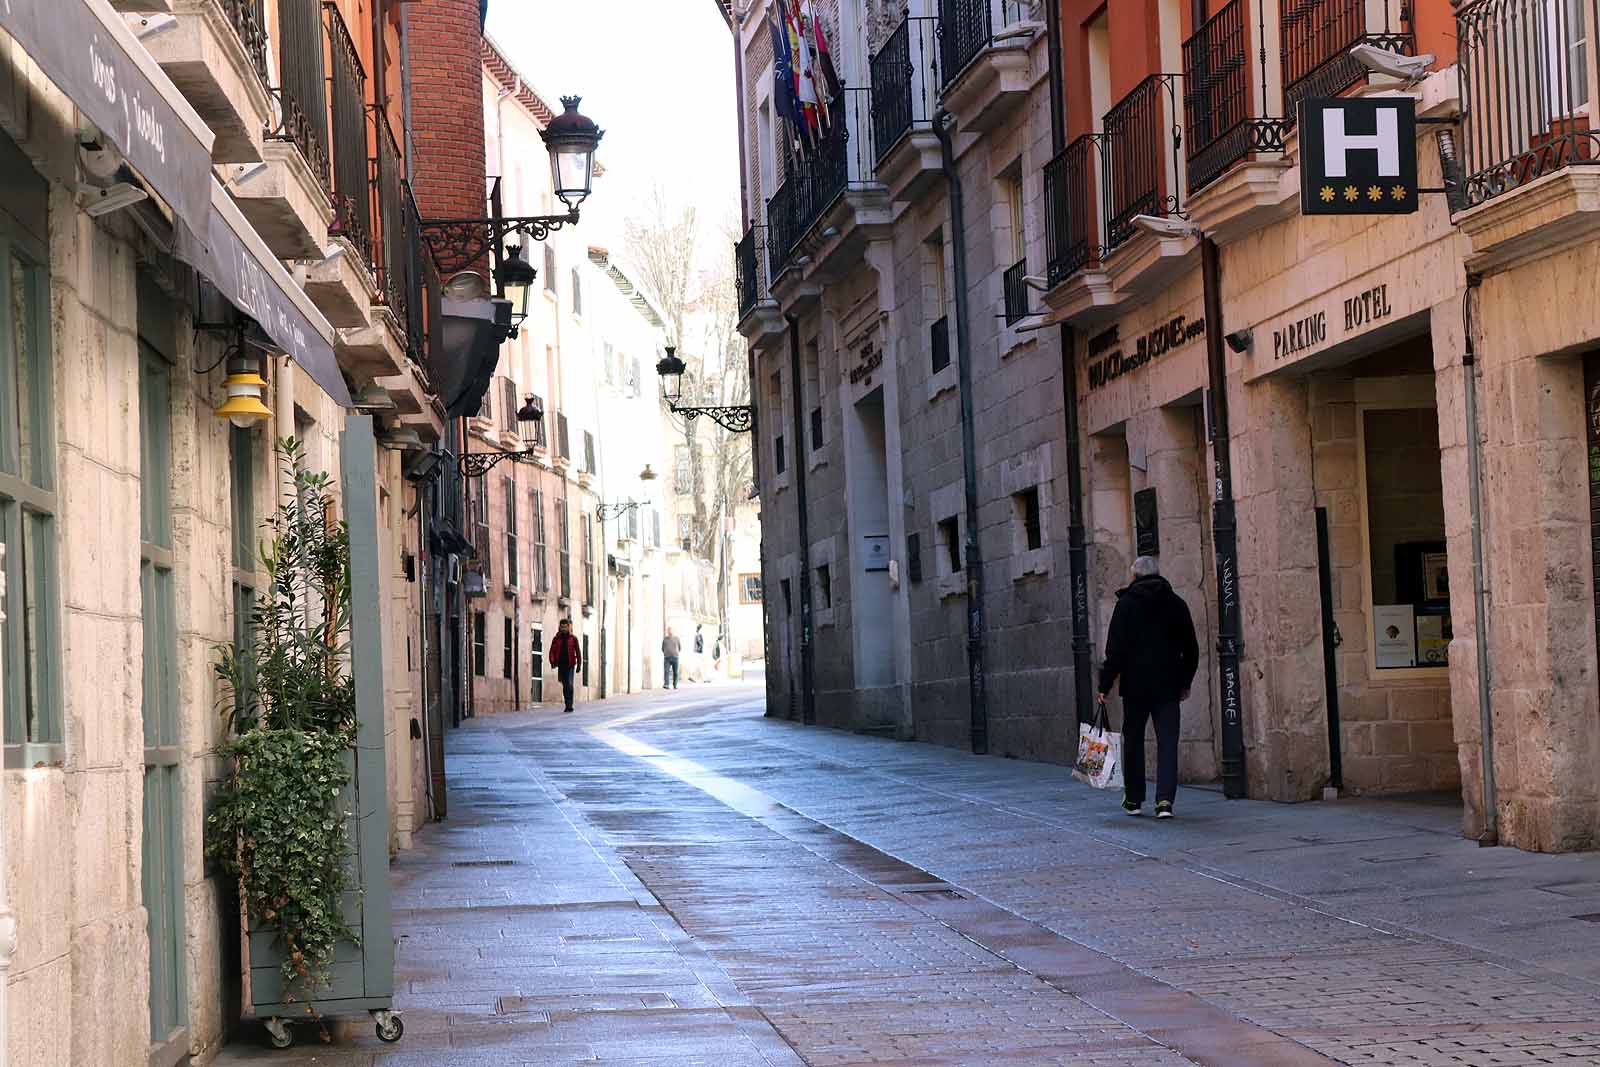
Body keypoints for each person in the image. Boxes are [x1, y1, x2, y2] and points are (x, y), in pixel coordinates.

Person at [1097, 556, 1199, 819]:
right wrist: (1184, 681)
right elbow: (1191, 649)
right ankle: (1165, 801)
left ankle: (1133, 799)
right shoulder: (1176, 604)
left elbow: (1115, 651)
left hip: (1135, 687)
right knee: (1167, 743)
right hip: (1168, 686)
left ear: (1134, 577)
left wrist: (1105, 685)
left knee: (1133, 742)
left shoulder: (1126, 605)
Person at [548, 619, 582, 714]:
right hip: (561, 665)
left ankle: (569, 705)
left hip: (570, 665)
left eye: (565, 627)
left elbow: (578, 652)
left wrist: (579, 664)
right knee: (565, 685)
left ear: (568, 627)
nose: (563, 628)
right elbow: (551, 651)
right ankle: (567, 704)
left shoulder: (573, 638)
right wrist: (552, 662)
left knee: (570, 684)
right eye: (562, 627)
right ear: (559, 627)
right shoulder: (556, 639)